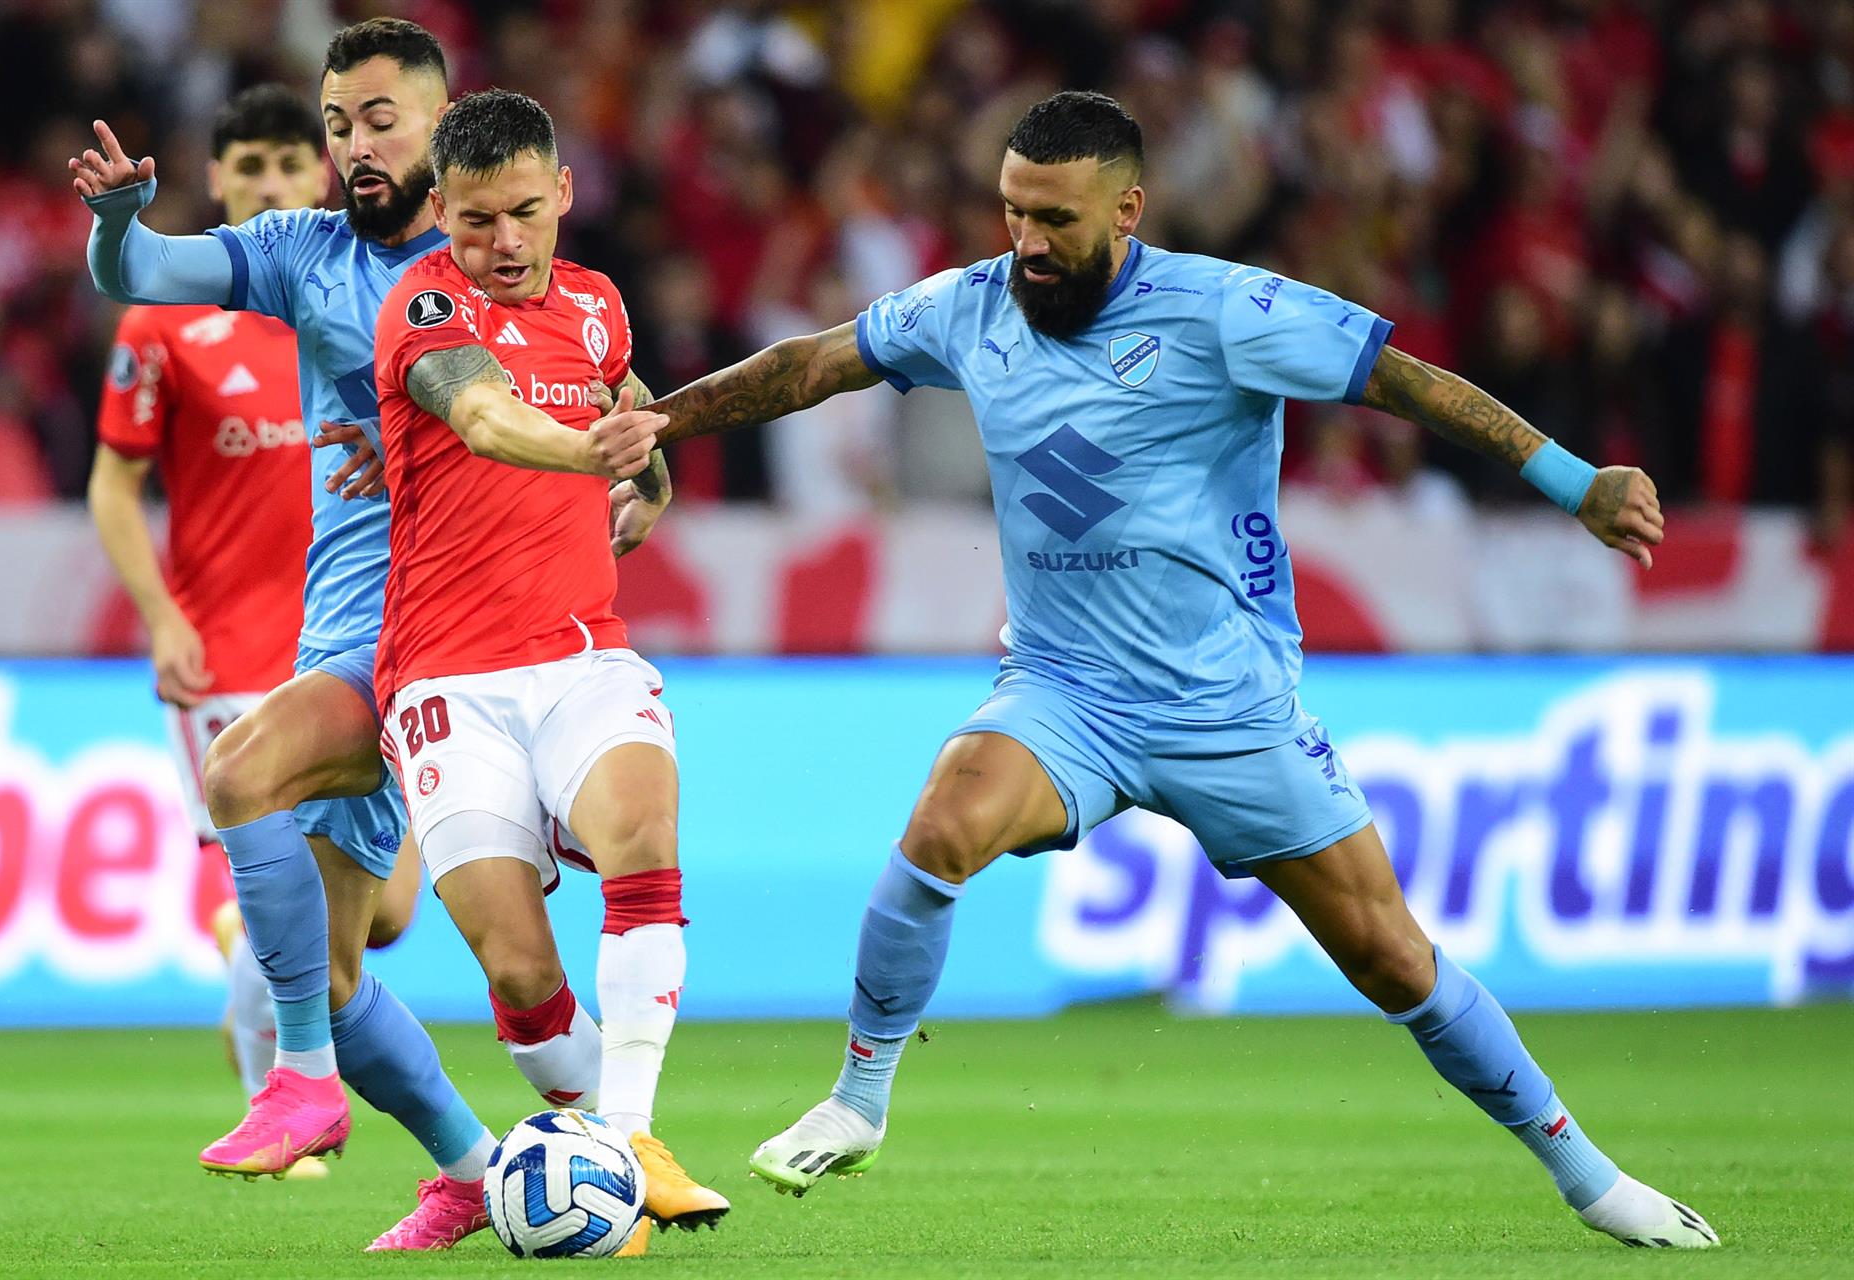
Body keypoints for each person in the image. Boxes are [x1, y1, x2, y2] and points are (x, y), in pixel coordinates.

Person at [645, 91, 1717, 1250]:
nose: (1027, 245)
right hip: (1068, 691)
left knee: (1390, 952)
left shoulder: (1227, 310)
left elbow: (1402, 381)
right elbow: (813, 364)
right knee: (948, 812)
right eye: (1011, 213)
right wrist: (654, 425)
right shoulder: (968, 308)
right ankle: (858, 1097)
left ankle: (1589, 1175)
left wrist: (1574, 482)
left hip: (1228, 704)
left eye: (1054, 219)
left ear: (1128, 208)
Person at [74, 18, 498, 1250]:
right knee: (342, 957)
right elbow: (141, 276)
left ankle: (305, 1083)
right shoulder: (297, 253)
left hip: (429, 630)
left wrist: (640, 478)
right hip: (335, 629)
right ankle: (477, 1169)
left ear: (439, 125)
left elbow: (598, 381)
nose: (355, 146)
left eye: (379, 121)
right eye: (337, 124)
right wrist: (116, 220)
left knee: (239, 774)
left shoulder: (489, 259)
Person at [370, 88, 728, 1247]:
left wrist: (643, 486)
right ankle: (585, 1131)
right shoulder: (424, 304)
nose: (505, 244)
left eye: (525, 213)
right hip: (446, 680)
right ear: (442, 210)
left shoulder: (599, 306)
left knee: (645, 832)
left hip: (580, 653)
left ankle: (626, 1140)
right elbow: (482, 417)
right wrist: (590, 449)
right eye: (476, 220)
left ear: (564, 193)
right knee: (518, 966)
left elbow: (632, 424)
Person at [86, 83, 422, 1132]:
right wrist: (159, 613)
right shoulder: (167, 324)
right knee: (287, 899)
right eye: (252, 167)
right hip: (226, 652)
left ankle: (283, 1017)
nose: (274, 180)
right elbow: (111, 483)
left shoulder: (340, 303)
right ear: (221, 182)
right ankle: (281, 1096)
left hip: (353, 646)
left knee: (387, 915)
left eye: (291, 163)